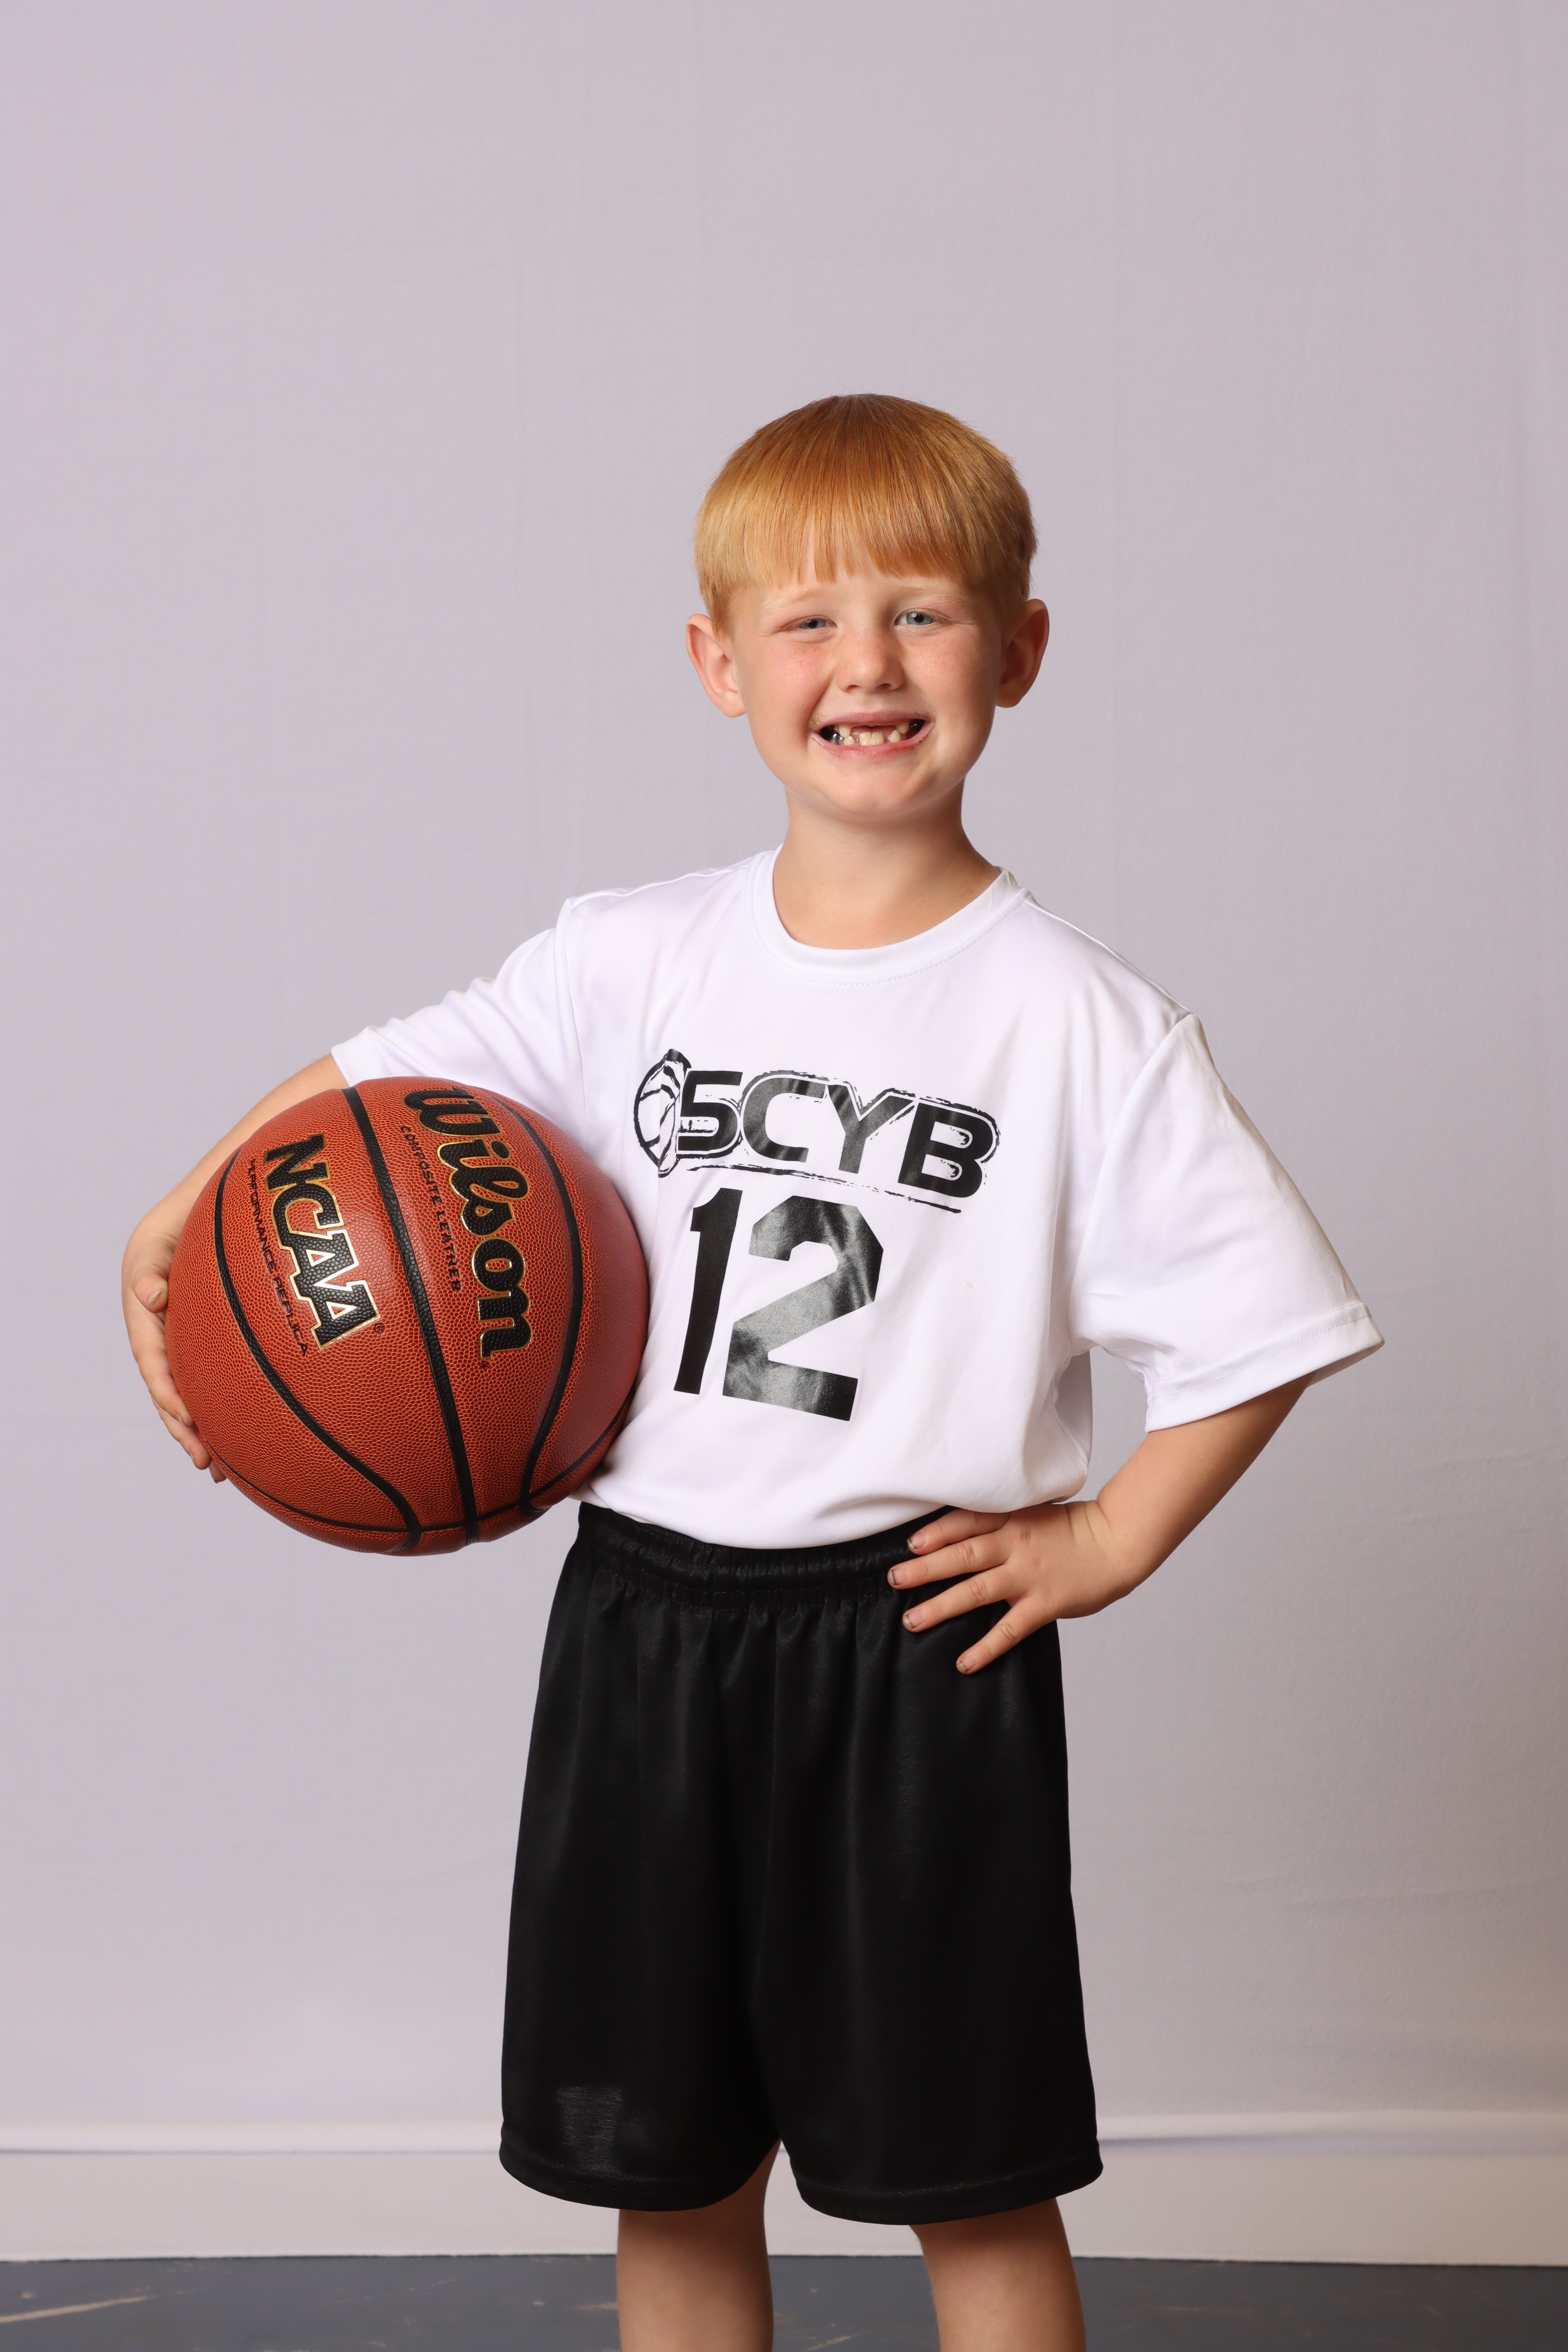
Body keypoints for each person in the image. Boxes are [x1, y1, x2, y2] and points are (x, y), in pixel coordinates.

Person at [122, 393, 1382, 2352]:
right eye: (808, 622)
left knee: (970, 2180)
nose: (865, 663)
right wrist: (185, 1211)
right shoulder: (631, 958)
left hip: (911, 1647)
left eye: (921, 614)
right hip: (644, 1624)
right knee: (673, 2171)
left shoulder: (1078, 1020)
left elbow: (1261, 1317)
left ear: (1018, 652)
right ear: (719, 666)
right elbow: (375, 1091)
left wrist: (1114, 1534)